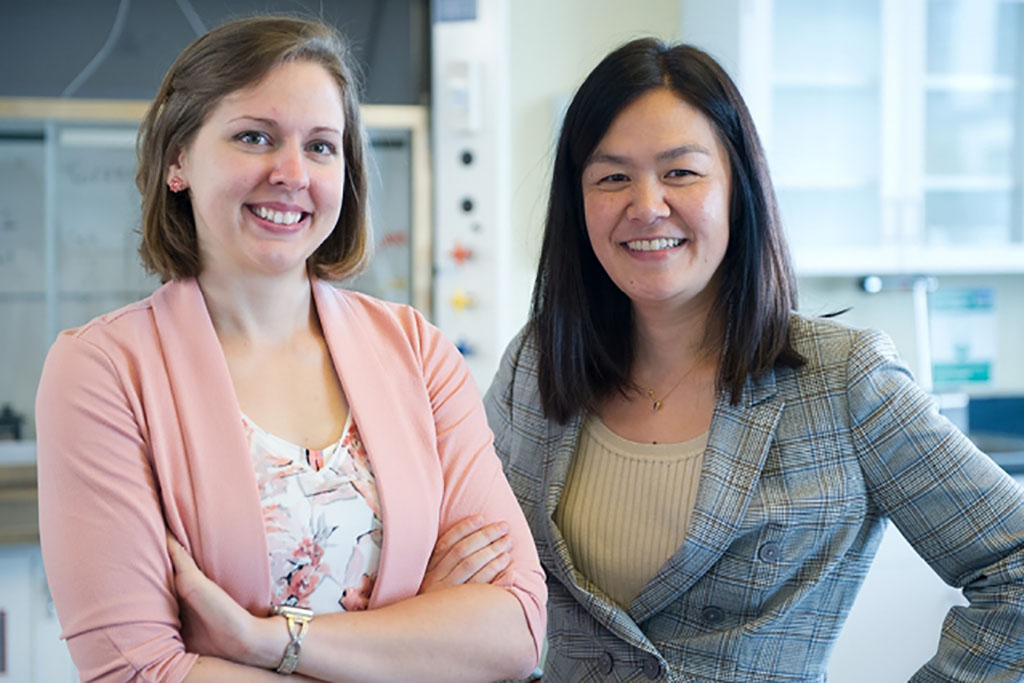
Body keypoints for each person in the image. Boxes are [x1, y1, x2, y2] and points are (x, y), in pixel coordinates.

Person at [484, 37, 1024, 681]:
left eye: (680, 171)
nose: (647, 204)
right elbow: (475, 569)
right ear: (579, 202)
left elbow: (1014, 568)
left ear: (738, 187)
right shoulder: (536, 364)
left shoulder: (842, 379)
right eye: (612, 176)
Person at [36, 16, 545, 682]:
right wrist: (421, 634)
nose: (291, 173)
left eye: (322, 147)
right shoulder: (102, 370)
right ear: (177, 161)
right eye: (254, 136)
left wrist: (262, 641)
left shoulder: (416, 350)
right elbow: (139, 671)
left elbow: (517, 628)